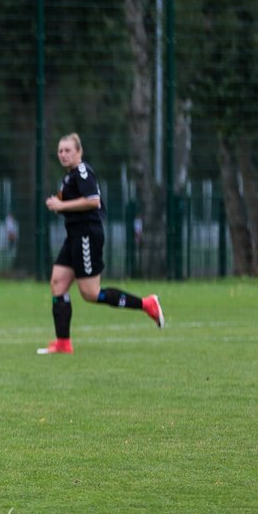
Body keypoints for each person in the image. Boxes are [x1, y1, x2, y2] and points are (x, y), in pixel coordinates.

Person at [38, 132, 164, 354]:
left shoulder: (83, 172)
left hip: (87, 235)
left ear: (79, 151)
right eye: (60, 150)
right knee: (58, 283)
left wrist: (62, 206)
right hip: (74, 236)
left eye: (68, 150)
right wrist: (58, 201)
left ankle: (147, 304)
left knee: (91, 293)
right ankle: (63, 343)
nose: (63, 154)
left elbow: (93, 201)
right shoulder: (69, 177)